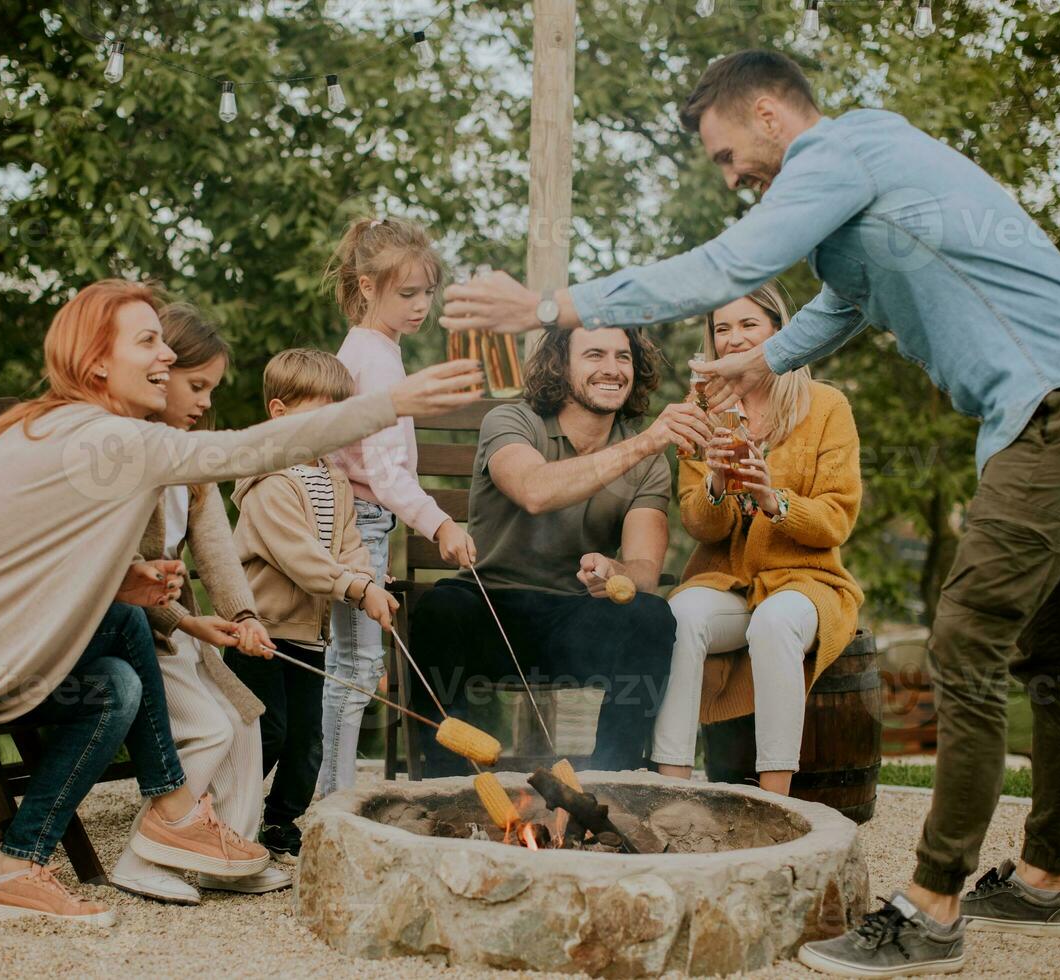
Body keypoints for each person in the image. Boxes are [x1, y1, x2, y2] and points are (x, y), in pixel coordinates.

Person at [439, 48, 1060, 977]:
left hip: (1059, 402)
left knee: (968, 636)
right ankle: (1047, 877)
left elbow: (727, 265)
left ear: (771, 114)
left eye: (729, 154)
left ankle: (931, 906)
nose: (734, 178)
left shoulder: (834, 158)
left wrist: (551, 304)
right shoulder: (868, 177)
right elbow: (848, 300)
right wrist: (764, 361)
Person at [0, 280, 483, 925]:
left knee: (114, 687)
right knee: (134, 636)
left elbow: (26, 560)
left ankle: (18, 866)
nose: (166, 355)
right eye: (148, 341)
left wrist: (125, 580)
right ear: (96, 360)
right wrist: (389, 403)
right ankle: (173, 811)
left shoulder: (68, 426)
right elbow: (248, 450)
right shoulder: (103, 439)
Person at [408, 326, 712, 776]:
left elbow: (646, 570)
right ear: (559, 365)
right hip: (493, 609)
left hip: (576, 617)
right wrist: (648, 441)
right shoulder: (513, 422)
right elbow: (534, 490)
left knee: (650, 617)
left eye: (622, 357)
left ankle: (612, 784)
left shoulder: (646, 463)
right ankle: (444, 789)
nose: (611, 368)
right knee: (439, 610)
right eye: (594, 355)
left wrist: (614, 569)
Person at [107, 301, 292, 905]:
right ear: (157, 376)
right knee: (210, 729)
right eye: (196, 385)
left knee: (245, 720)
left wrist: (243, 618)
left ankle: (224, 856)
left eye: (211, 389)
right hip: (140, 629)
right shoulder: (131, 456)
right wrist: (187, 620)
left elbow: (216, 554)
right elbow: (124, 580)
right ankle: (141, 855)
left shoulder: (196, 462)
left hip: (179, 631)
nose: (205, 401)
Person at [655, 281, 863, 799]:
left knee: (774, 622)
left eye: (749, 324)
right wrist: (718, 485)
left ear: (779, 330)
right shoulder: (700, 408)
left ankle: (775, 798)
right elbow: (699, 525)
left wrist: (775, 500)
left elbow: (836, 520)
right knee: (681, 617)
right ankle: (670, 789)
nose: (733, 338)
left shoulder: (825, 405)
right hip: (731, 580)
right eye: (721, 328)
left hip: (806, 582)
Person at [318, 216, 478, 797]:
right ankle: (331, 799)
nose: (421, 306)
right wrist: (440, 523)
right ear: (367, 287)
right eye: (406, 293)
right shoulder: (379, 360)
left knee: (348, 663)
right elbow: (385, 472)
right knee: (356, 668)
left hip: (355, 522)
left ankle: (325, 792)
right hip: (359, 520)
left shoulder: (368, 347)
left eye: (427, 292)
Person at [228, 349, 401, 861]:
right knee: (269, 731)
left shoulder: (336, 480)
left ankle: (280, 824)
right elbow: (301, 559)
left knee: (309, 741)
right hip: (259, 631)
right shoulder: (268, 483)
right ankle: (222, 815)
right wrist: (356, 588)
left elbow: (349, 544)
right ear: (279, 413)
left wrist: (368, 578)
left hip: (307, 634)